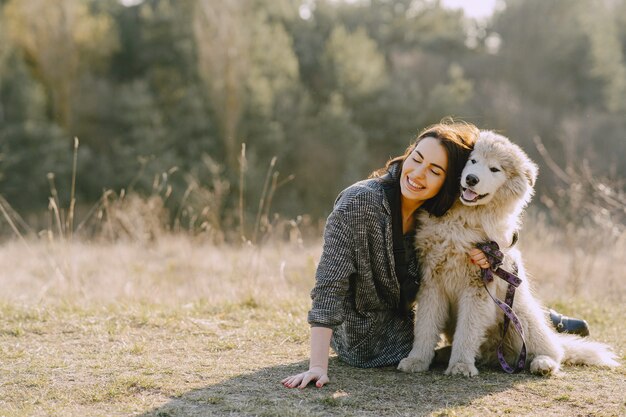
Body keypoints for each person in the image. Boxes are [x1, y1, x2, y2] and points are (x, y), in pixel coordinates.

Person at [281, 121, 588, 389]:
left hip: (425, 320)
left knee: (498, 293)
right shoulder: (361, 204)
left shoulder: (441, 207)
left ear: (447, 179)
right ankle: (552, 321)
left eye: (435, 170)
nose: (418, 174)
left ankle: (548, 324)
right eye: (416, 158)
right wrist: (318, 366)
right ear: (409, 152)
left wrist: (499, 248)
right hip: (379, 334)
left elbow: (498, 224)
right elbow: (329, 285)